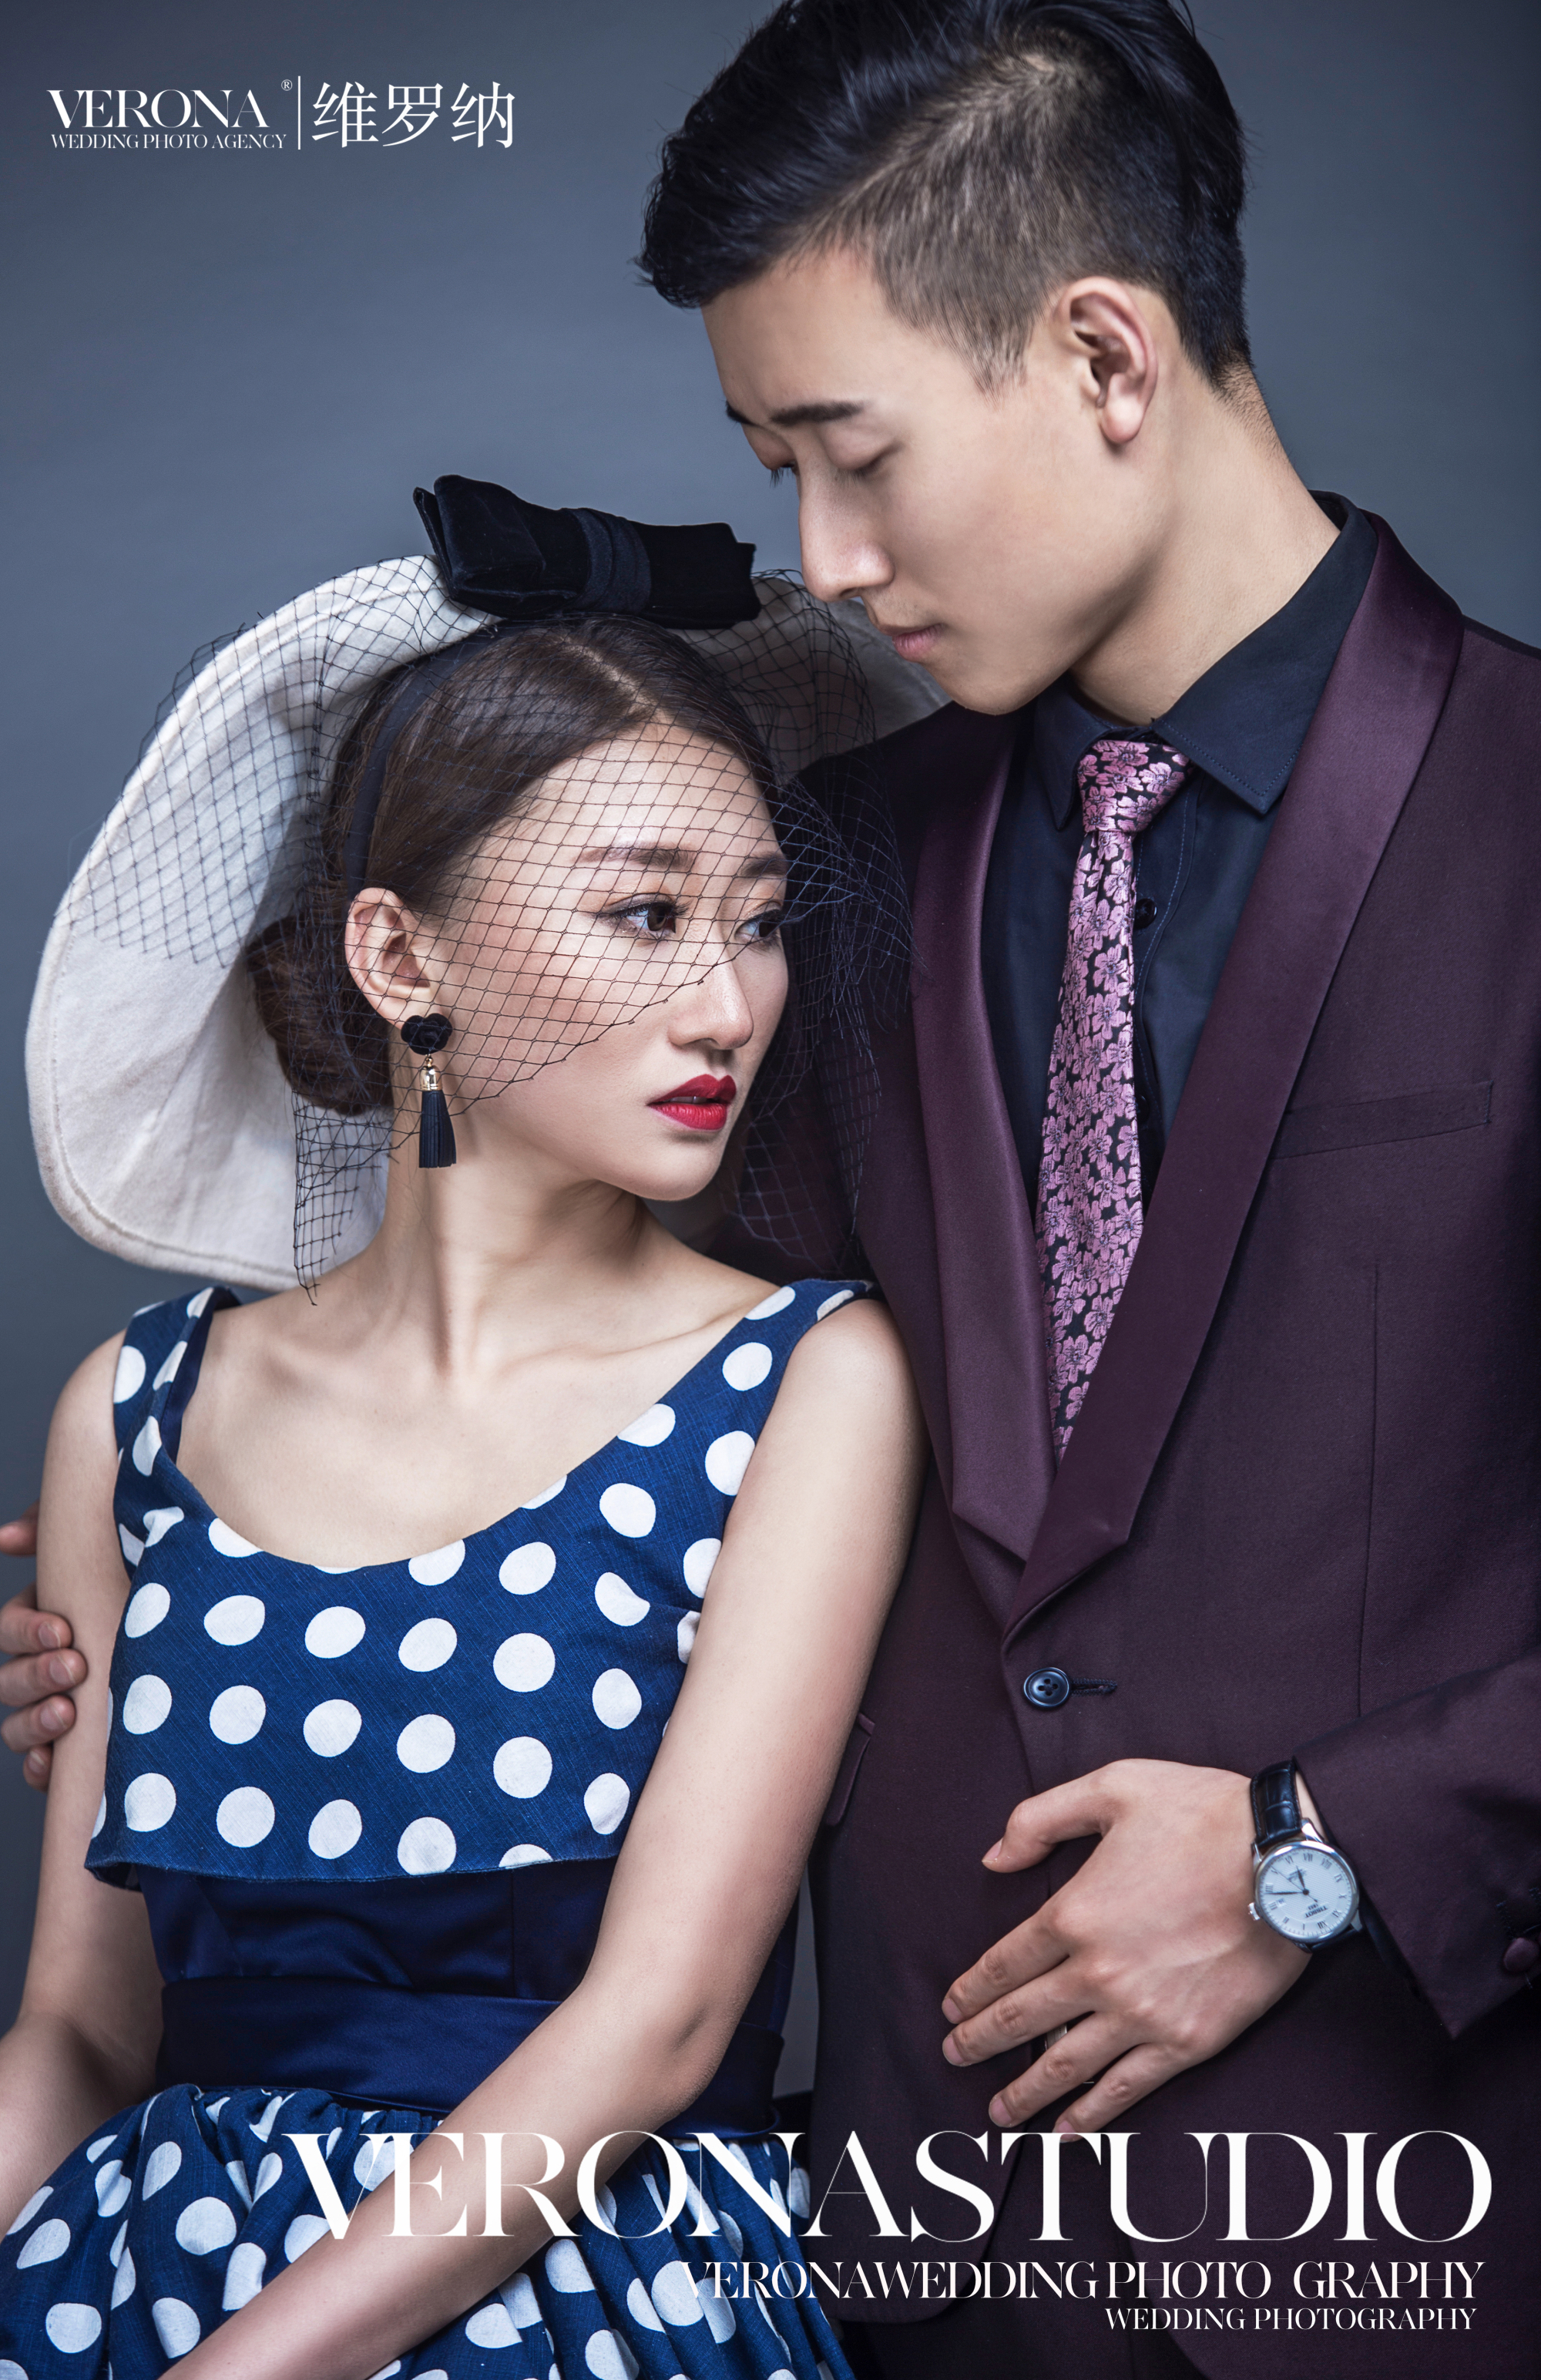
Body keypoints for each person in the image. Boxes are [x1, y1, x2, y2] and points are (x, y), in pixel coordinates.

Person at [629, 2, 1541, 2375]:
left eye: (854, 459)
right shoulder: (816, 880)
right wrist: (213, 1581)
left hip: (1420, 2223)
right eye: (774, 469)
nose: (823, 563)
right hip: (925, 2243)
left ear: (1108, 357)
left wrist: (1322, 1853)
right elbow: (653, 1432)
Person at [0, 521, 926, 2378]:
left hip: (584, 2293)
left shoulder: (802, 1380)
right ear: (398, 950)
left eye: (757, 919)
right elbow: (84, 2031)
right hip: (131, 2283)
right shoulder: (137, 1409)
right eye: (645, 912)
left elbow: (657, 2025)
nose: (728, 1000)